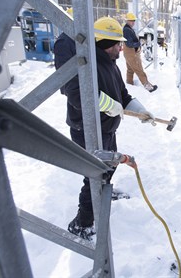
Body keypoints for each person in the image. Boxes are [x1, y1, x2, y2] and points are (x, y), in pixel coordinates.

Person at [54, 16, 155, 240]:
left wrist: (140, 111)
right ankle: (83, 222)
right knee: (94, 175)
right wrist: (111, 106)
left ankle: (103, 194)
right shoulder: (87, 66)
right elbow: (78, 95)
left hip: (107, 129)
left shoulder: (111, 64)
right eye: (117, 43)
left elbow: (123, 95)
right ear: (104, 44)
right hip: (87, 130)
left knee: (109, 166)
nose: (121, 47)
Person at [123, 12, 158, 92]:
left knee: (130, 70)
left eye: (134, 20)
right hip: (130, 52)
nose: (133, 22)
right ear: (127, 21)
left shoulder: (128, 28)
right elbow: (129, 43)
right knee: (138, 69)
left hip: (128, 52)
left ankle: (129, 85)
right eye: (131, 20)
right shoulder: (127, 30)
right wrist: (139, 43)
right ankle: (148, 86)